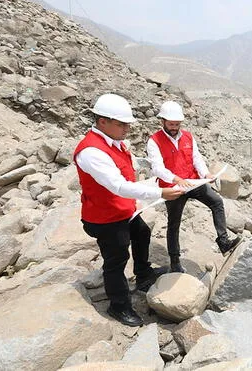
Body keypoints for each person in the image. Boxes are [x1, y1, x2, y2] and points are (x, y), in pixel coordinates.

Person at [74, 93, 184, 327]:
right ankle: (119, 305)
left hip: (122, 210)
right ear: (102, 121)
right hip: (104, 217)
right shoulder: (92, 152)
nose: (127, 129)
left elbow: (127, 173)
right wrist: (160, 193)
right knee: (116, 259)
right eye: (121, 124)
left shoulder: (114, 143)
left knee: (142, 233)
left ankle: (143, 274)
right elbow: (118, 186)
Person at [146, 101, 241, 273]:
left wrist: (206, 175)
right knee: (174, 223)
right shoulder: (154, 141)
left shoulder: (188, 137)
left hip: (193, 182)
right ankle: (175, 262)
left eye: (177, 124)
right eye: (171, 124)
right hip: (173, 187)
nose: (174, 127)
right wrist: (176, 179)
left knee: (216, 202)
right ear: (163, 121)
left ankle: (224, 242)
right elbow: (157, 168)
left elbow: (196, 158)